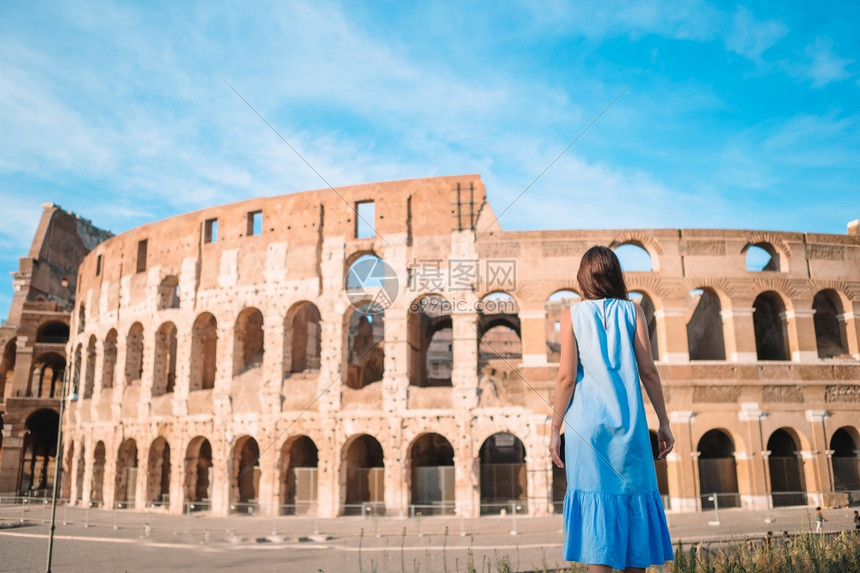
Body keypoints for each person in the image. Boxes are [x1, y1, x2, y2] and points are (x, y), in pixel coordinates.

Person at [549, 246, 674, 572]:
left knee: (597, 527)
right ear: (616, 275)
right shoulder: (633, 312)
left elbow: (565, 378)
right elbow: (649, 371)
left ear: (583, 278)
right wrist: (663, 422)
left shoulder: (571, 316)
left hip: (586, 433)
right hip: (630, 429)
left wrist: (553, 430)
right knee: (636, 518)